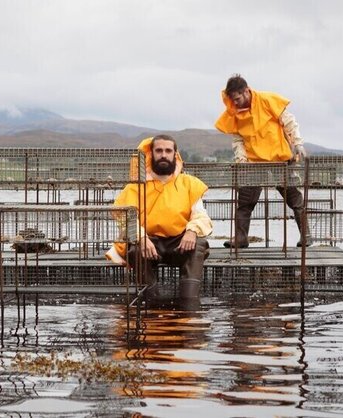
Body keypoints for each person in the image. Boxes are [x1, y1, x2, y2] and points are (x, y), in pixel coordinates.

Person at [106, 134, 213, 309]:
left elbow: (201, 216)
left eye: (168, 151)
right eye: (159, 151)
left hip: (178, 243)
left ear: (175, 155)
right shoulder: (134, 187)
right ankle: (151, 302)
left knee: (199, 243)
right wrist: (142, 238)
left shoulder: (189, 183)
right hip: (149, 243)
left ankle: (189, 304)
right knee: (134, 249)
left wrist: (191, 231)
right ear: (151, 154)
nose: (164, 155)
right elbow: (125, 219)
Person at [215, 74, 311, 248]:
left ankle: (306, 235)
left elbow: (289, 122)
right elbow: (238, 139)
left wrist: (298, 144)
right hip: (253, 163)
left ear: (245, 91)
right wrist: (241, 159)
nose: (235, 103)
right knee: (245, 201)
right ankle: (241, 239)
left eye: (237, 98)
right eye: (232, 100)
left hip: (280, 159)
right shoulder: (234, 112)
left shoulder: (267, 100)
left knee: (294, 198)